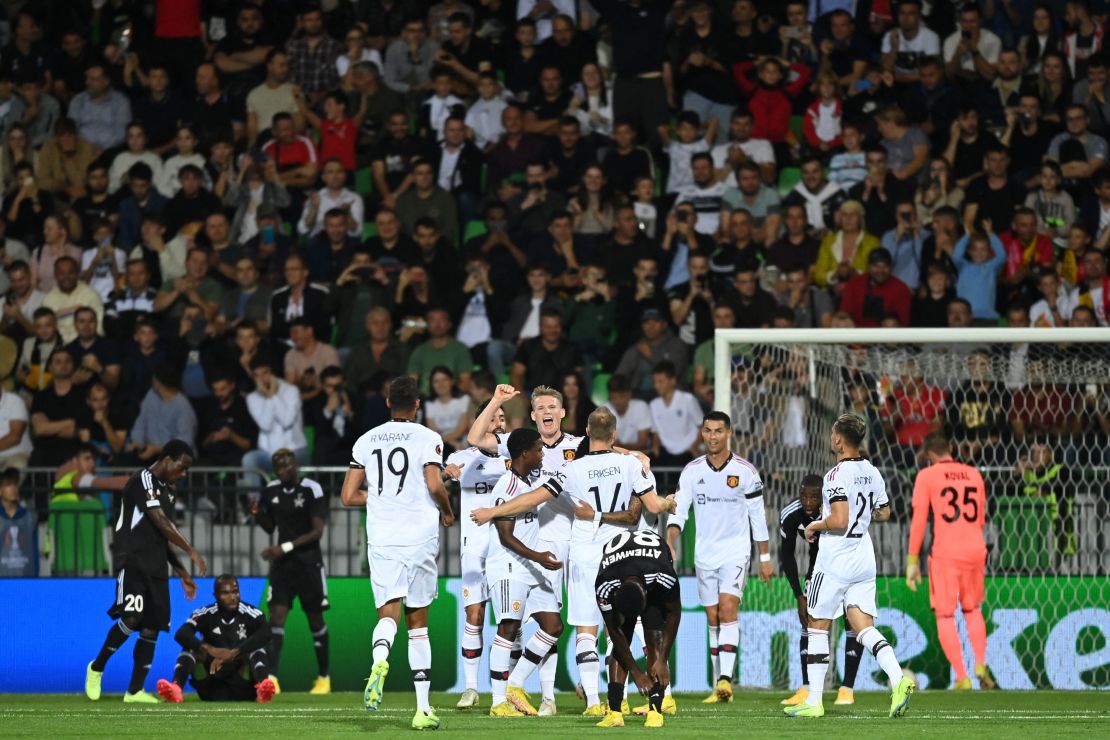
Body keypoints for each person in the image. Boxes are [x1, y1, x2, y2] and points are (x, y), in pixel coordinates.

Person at [472, 407, 674, 717]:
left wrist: (492, 512)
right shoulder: (629, 465)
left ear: (588, 433)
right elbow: (653, 506)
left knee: (586, 629)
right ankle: (653, 697)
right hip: (623, 553)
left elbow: (533, 498)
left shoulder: (572, 470)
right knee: (628, 626)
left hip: (586, 554)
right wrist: (669, 502)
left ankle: (594, 702)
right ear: (615, 435)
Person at [340, 375, 455, 730]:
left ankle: (379, 660)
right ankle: (422, 710)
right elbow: (435, 485)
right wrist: (448, 512)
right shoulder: (428, 438)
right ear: (418, 404)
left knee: (387, 615)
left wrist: (380, 498)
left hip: (383, 537)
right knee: (417, 625)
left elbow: (347, 497)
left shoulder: (366, 440)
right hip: (419, 536)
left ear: (388, 402)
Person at [784, 413, 914, 718]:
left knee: (817, 624)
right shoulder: (873, 472)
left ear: (839, 439)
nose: (831, 438)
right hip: (863, 556)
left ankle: (814, 702)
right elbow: (883, 513)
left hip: (836, 558)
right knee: (862, 626)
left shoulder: (835, 475)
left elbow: (840, 520)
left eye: (833, 434)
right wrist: (862, 512)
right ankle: (898, 679)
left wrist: (815, 525)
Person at [466, 383, 582, 714]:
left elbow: (606, 447)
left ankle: (527, 689)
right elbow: (475, 439)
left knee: (553, 625)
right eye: (540, 407)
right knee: (509, 628)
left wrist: (634, 455)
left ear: (562, 412)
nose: (547, 412)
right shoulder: (513, 461)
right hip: (521, 560)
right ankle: (501, 699)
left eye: (552, 407)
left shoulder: (576, 447)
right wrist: (497, 401)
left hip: (552, 552)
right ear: (533, 415)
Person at [84, 440, 206, 703]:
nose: (183, 474)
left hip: (157, 565)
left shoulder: (169, 490)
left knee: (151, 627)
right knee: (132, 617)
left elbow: (163, 535)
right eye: (181, 468)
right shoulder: (144, 479)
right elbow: (161, 521)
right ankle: (97, 668)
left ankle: (135, 691)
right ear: (167, 459)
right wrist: (191, 550)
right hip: (132, 561)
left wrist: (183, 572)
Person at [667, 411, 772, 703]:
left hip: (736, 552)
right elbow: (679, 512)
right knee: (712, 616)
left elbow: (757, 517)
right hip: (705, 554)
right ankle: (720, 684)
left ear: (729, 434)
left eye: (718, 431)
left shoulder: (746, 472)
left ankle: (726, 678)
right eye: (708, 431)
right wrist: (669, 541)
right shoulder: (692, 471)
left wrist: (764, 557)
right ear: (703, 434)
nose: (712, 436)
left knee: (727, 608)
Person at [906, 432, 998, 691]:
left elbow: (919, 520)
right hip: (975, 548)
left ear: (927, 455)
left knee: (946, 614)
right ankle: (980, 664)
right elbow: (981, 518)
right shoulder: (974, 474)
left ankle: (962, 677)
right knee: (973, 609)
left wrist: (912, 560)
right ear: (951, 447)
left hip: (946, 552)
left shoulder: (927, 476)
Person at [778, 475, 865, 707]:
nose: (808, 501)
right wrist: (799, 596)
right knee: (809, 622)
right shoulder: (790, 514)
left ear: (822, 497)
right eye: (804, 495)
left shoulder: (835, 509)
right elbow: (786, 555)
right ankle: (807, 688)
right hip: (818, 569)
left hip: (848, 566)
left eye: (814, 497)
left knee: (853, 622)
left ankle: (847, 689)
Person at [443, 401, 509, 709]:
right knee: (475, 616)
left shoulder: (515, 456)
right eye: (493, 417)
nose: (498, 422)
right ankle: (470, 687)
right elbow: (445, 476)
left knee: (511, 618)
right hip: (473, 548)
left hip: (508, 547)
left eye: (502, 417)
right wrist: (447, 474)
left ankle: (510, 689)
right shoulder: (463, 458)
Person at [250, 449, 331, 695]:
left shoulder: (312, 489)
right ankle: (272, 679)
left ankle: (324, 678)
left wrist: (283, 547)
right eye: (279, 467)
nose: (284, 470)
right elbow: (270, 527)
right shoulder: (271, 490)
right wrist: (258, 514)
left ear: (296, 464)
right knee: (276, 620)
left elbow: (317, 532)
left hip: (308, 564)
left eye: (287, 465)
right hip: (282, 567)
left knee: (315, 619)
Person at [592, 527, 681, 728]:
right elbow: (615, 633)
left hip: (652, 570)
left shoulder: (662, 573)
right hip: (621, 566)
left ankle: (656, 711)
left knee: (654, 639)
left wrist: (663, 659)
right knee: (621, 640)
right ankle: (614, 712)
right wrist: (636, 673)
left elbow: (675, 613)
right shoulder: (605, 582)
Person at [156, 575, 275, 703]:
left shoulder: (251, 613)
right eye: (226, 593)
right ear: (216, 595)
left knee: (257, 647)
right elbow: (181, 634)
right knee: (190, 646)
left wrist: (234, 652)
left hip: (243, 686)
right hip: (212, 685)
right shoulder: (205, 613)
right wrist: (210, 649)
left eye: (235, 592)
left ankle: (262, 689)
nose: (232, 597)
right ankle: (176, 688)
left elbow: (266, 633)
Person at [649, 361, 702, 466]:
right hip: (666, 453)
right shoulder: (654, 404)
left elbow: (702, 426)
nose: (656, 386)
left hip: (689, 451)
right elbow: (656, 432)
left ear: (673, 381)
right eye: (654, 382)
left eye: (660, 382)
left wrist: (694, 447)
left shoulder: (688, 399)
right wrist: (655, 448)